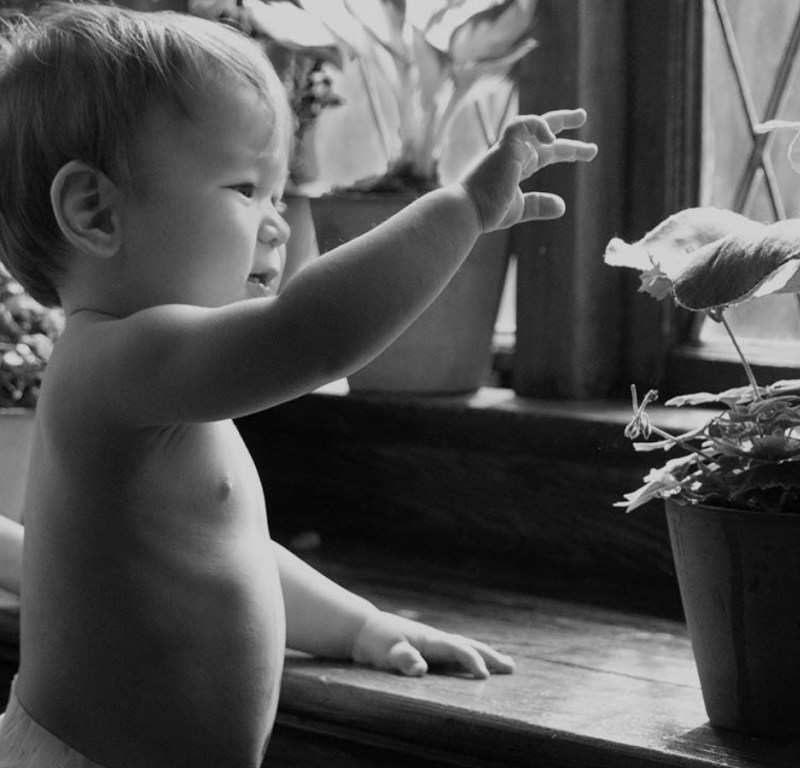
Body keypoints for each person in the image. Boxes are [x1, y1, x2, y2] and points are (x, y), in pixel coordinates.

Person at [0, 4, 598, 767]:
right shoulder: (115, 365)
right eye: (246, 189)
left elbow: (228, 553)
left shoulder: (155, 381)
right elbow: (315, 334)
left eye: (280, 196)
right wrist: (462, 210)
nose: (277, 225)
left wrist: (357, 626)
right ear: (95, 211)